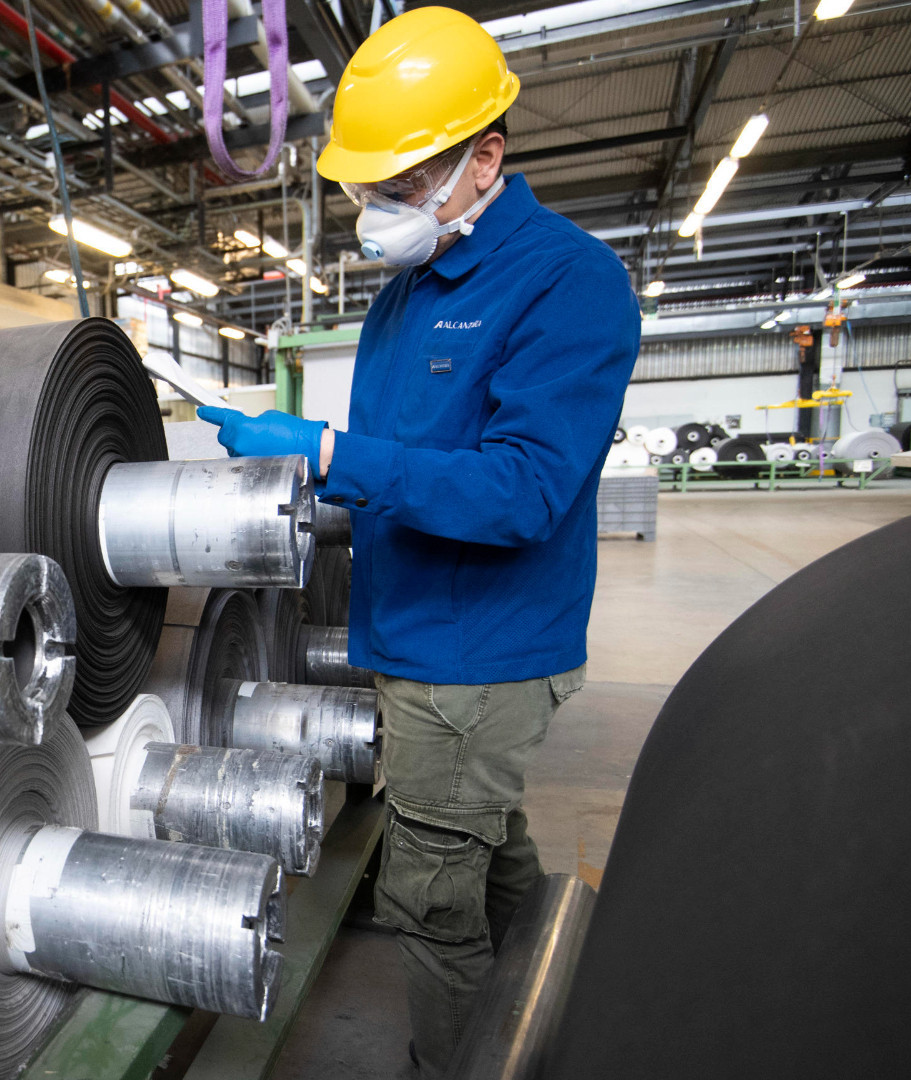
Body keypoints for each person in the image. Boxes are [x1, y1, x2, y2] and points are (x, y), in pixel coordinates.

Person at [196, 7, 639, 1075]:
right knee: (478, 849)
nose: (372, 211)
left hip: (475, 655)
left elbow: (524, 490)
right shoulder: (406, 294)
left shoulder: (567, 282)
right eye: (363, 187)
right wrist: (287, 478)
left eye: (397, 187)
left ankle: (459, 1064)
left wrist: (328, 450)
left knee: (428, 900)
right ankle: (553, 986)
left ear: (485, 159)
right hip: (410, 641)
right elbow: (402, 465)